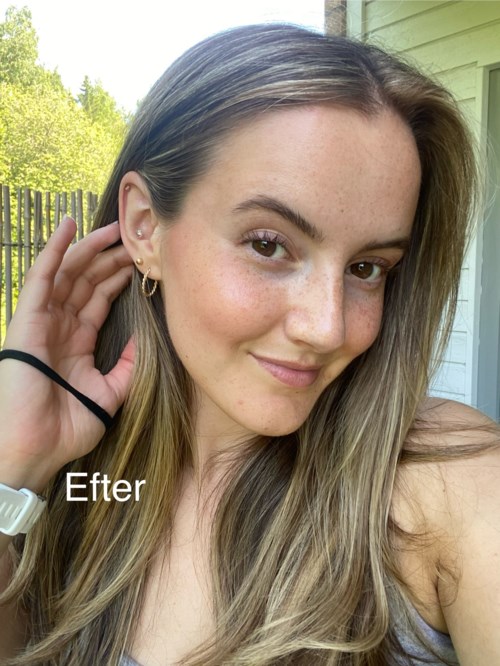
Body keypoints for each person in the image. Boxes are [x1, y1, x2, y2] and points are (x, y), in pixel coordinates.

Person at [0, 22, 498, 666]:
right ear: (145, 227)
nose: (327, 328)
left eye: (367, 268)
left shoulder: (448, 482)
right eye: (269, 245)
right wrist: (14, 470)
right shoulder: (82, 484)